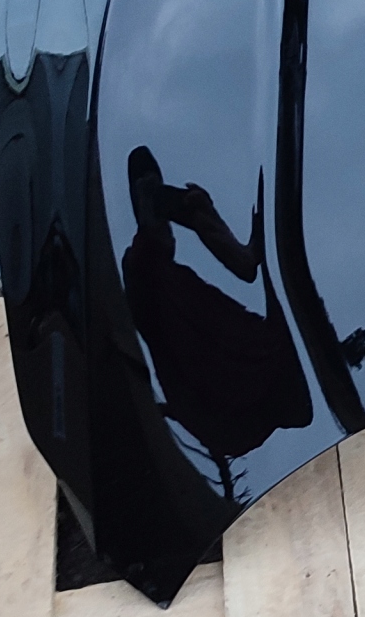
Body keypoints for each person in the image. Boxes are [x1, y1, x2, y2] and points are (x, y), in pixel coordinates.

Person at [119, 147, 315, 480]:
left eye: (159, 198)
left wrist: (205, 219)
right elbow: (144, 270)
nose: (163, 215)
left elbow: (246, 266)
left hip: (257, 393)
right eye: (148, 198)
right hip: (233, 412)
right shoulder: (148, 279)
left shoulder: (176, 283)